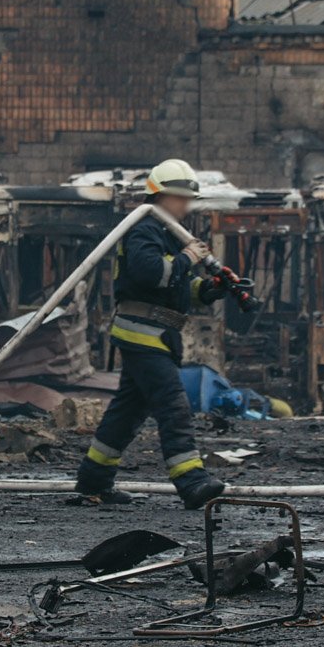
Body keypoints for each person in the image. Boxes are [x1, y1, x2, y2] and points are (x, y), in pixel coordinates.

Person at [73, 158, 228, 509]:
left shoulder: (165, 233)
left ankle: (93, 480)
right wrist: (189, 256)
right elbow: (151, 274)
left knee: (126, 413)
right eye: (179, 198)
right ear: (159, 195)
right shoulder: (145, 228)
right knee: (174, 406)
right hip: (144, 336)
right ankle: (191, 480)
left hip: (156, 336)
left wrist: (208, 290)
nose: (185, 206)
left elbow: (175, 287)